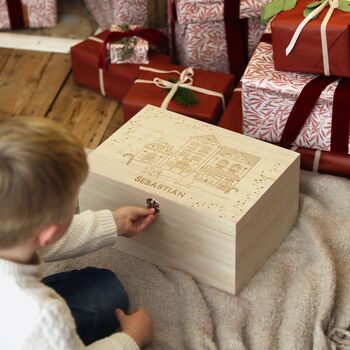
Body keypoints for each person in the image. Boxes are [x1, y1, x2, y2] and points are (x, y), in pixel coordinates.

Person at [0, 117, 157, 350]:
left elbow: (46, 243)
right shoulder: (44, 316)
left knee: (102, 285)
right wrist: (131, 338)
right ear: (49, 231)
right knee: (109, 295)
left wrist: (113, 223)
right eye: (72, 201)